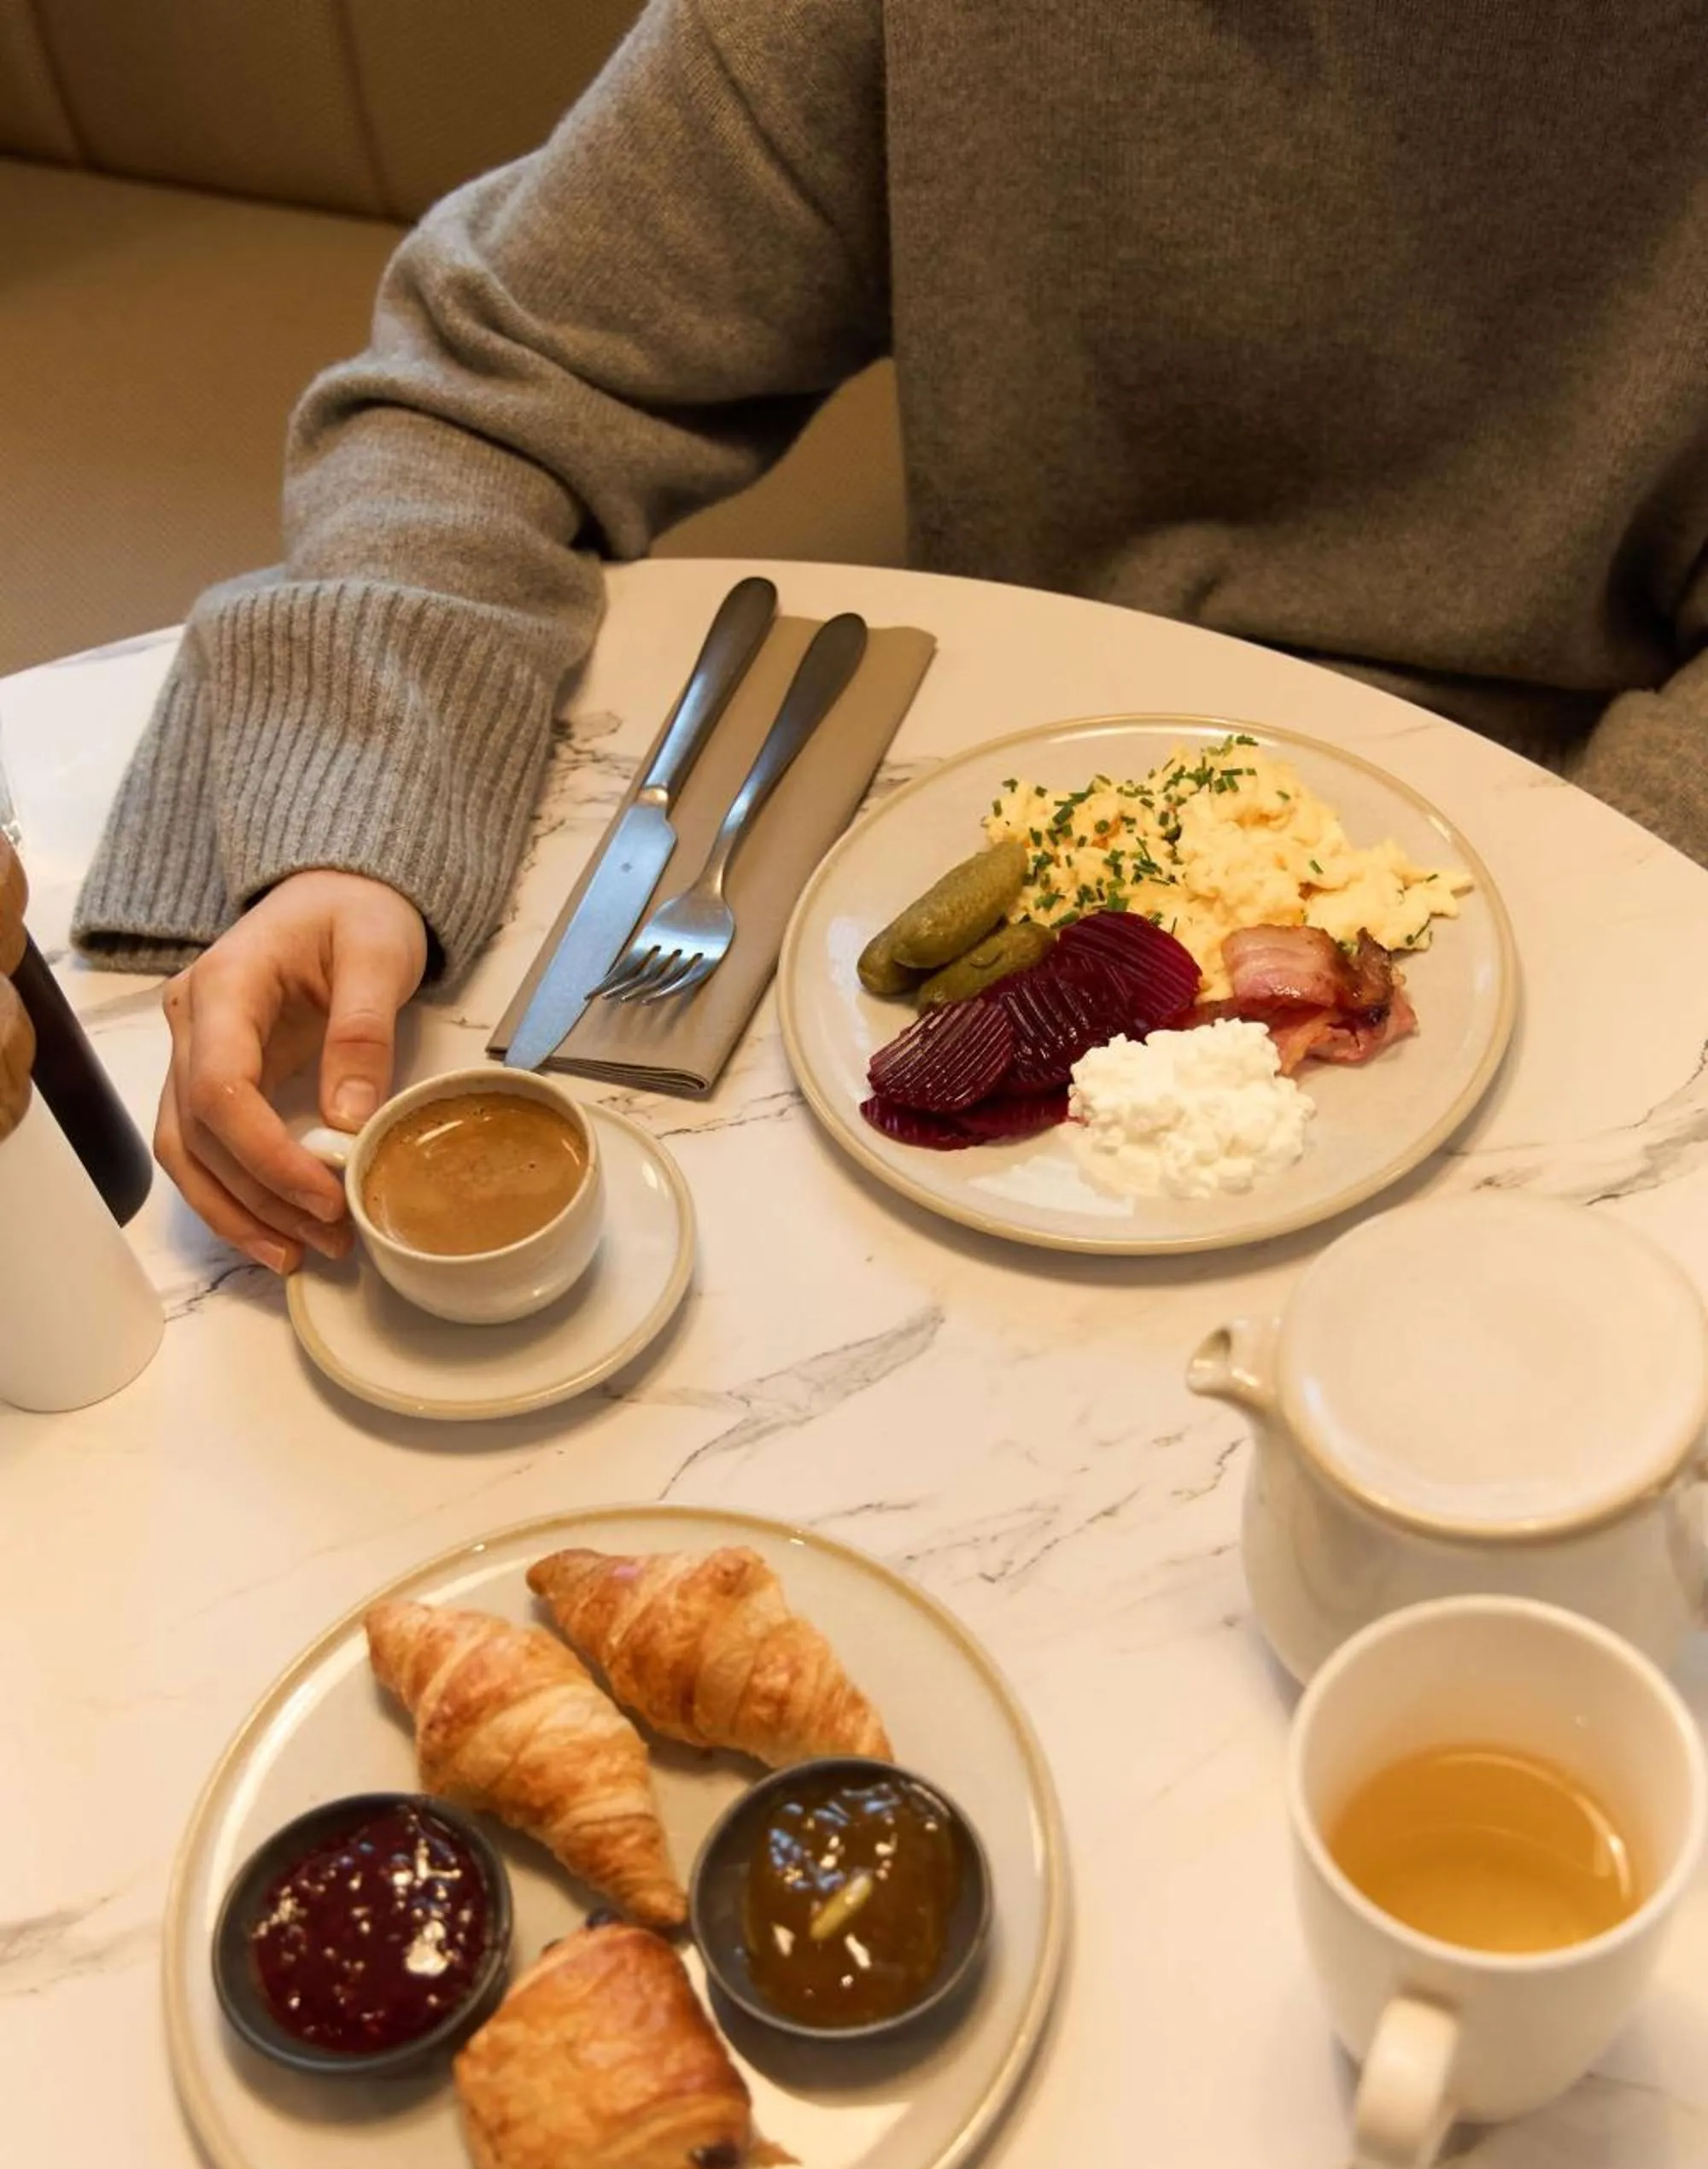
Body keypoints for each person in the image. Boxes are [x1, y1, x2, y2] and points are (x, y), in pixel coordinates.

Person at [73, 0, 1708, 1269]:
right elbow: (490, 386)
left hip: (1577, 907)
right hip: (1007, 919)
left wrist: (1555, 927)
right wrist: (362, 822)